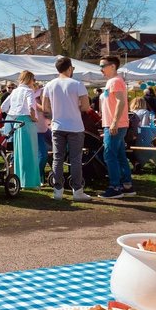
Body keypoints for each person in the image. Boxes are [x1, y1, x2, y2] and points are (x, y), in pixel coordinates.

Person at [42, 55, 91, 202]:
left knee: (58, 158)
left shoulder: (49, 85)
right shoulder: (77, 84)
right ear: (70, 68)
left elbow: (45, 108)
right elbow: (86, 107)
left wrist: (55, 113)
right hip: (75, 126)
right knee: (76, 159)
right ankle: (77, 190)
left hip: (57, 125)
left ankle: (58, 190)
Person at [97, 55, 135, 199]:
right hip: (116, 124)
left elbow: (120, 102)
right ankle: (127, 185)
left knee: (110, 155)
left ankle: (115, 186)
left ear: (112, 66)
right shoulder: (113, 82)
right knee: (119, 155)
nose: (101, 70)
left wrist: (113, 122)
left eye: (103, 66)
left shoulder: (115, 81)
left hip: (115, 125)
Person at [5, 70, 39, 189]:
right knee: (30, 152)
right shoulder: (28, 91)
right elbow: (31, 107)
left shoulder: (14, 91)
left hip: (16, 122)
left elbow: (4, 107)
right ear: (30, 79)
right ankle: (29, 181)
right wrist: (34, 118)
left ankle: (19, 180)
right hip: (27, 122)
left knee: (19, 152)